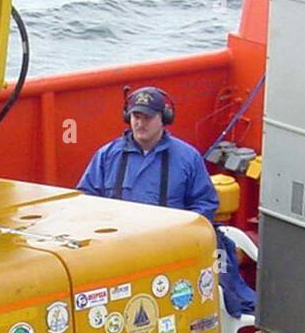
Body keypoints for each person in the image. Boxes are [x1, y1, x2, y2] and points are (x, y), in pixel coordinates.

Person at [77, 85, 256, 316]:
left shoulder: (187, 157)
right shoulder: (106, 155)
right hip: (117, 251)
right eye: (135, 116)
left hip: (171, 253)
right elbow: (85, 200)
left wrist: (179, 237)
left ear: (164, 119)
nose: (140, 123)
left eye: (148, 118)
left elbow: (205, 204)